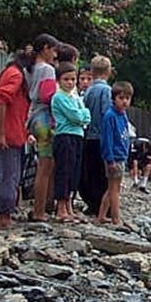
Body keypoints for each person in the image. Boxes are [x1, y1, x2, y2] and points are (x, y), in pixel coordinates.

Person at [0, 52, 31, 229]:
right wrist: (0, 133)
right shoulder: (16, 75)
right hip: (10, 134)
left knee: (11, 175)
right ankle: (5, 216)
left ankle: (8, 212)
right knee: (10, 176)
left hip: (13, 132)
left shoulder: (8, 73)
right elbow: (0, 101)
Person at [25, 33, 60, 222]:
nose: (54, 55)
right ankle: (39, 210)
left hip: (32, 118)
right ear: (46, 48)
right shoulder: (47, 70)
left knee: (45, 164)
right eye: (53, 50)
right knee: (45, 165)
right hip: (44, 118)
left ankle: (41, 207)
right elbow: (48, 95)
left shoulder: (28, 69)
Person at [51, 62, 91, 221]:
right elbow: (76, 116)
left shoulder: (75, 97)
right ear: (59, 80)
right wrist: (82, 116)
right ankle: (60, 207)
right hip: (65, 135)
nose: (70, 82)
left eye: (73, 79)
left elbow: (86, 115)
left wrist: (82, 116)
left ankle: (69, 205)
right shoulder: (59, 97)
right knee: (64, 170)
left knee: (74, 172)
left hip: (78, 135)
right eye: (66, 79)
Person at [80, 55, 113, 215]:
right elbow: (107, 114)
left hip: (88, 136)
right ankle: (103, 207)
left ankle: (92, 203)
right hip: (102, 137)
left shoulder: (88, 91)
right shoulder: (106, 91)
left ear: (92, 71)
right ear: (109, 71)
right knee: (103, 174)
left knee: (91, 172)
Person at [98, 81, 133, 225]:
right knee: (114, 189)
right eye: (121, 98)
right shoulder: (110, 116)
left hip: (121, 156)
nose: (124, 101)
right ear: (114, 98)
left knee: (112, 187)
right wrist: (110, 159)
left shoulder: (123, 115)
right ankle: (115, 218)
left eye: (127, 98)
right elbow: (106, 139)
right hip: (114, 157)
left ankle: (101, 216)